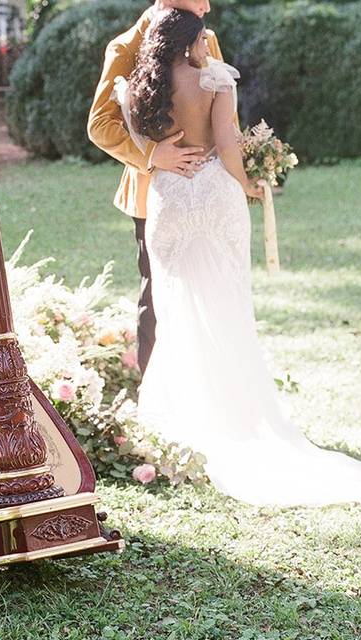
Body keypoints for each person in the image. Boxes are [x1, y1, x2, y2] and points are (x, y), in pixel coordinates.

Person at [121, 9, 361, 506]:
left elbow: (142, 142)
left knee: (175, 310)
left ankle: (178, 421)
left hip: (167, 199)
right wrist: (249, 183)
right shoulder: (214, 79)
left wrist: (160, 157)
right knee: (227, 309)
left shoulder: (136, 88)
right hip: (214, 196)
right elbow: (228, 147)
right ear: (194, 42)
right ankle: (235, 416)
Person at [87, 0, 221, 374]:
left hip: (207, 194)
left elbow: (223, 116)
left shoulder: (206, 39)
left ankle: (207, 386)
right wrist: (150, 155)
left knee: (209, 293)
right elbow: (99, 125)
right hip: (153, 197)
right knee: (156, 300)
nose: (206, 7)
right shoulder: (125, 47)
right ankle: (153, 395)